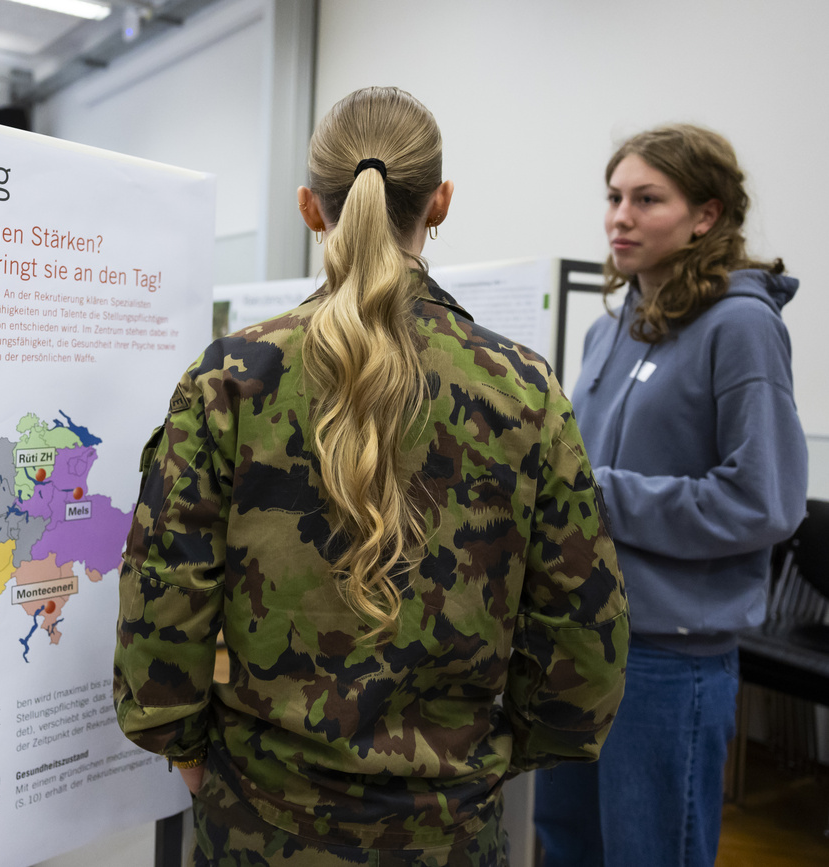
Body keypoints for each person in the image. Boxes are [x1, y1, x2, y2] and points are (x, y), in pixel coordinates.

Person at [113, 86, 629, 867]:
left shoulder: (231, 379)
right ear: (442, 202)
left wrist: (185, 747)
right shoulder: (523, 390)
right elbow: (583, 639)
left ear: (308, 208)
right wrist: (481, 765)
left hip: (262, 821)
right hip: (447, 827)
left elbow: (164, 597)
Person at [533, 125, 809, 867]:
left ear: (706, 216)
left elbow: (766, 499)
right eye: (614, 196)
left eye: (646, 199)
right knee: (566, 845)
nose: (618, 216)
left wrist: (601, 495)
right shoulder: (605, 332)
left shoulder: (742, 326)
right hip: (576, 641)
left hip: (665, 660)